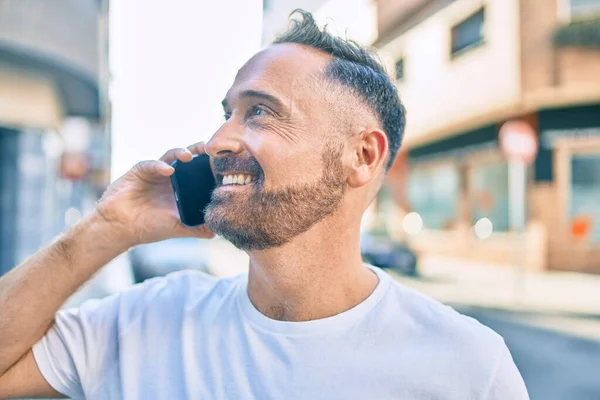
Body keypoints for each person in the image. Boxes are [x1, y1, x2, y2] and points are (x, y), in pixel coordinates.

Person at [0, 10, 528, 400]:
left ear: (362, 156)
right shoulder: (148, 321)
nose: (217, 140)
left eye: (259, 113)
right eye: (227, 113)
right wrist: (105, 228)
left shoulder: (468, 369)